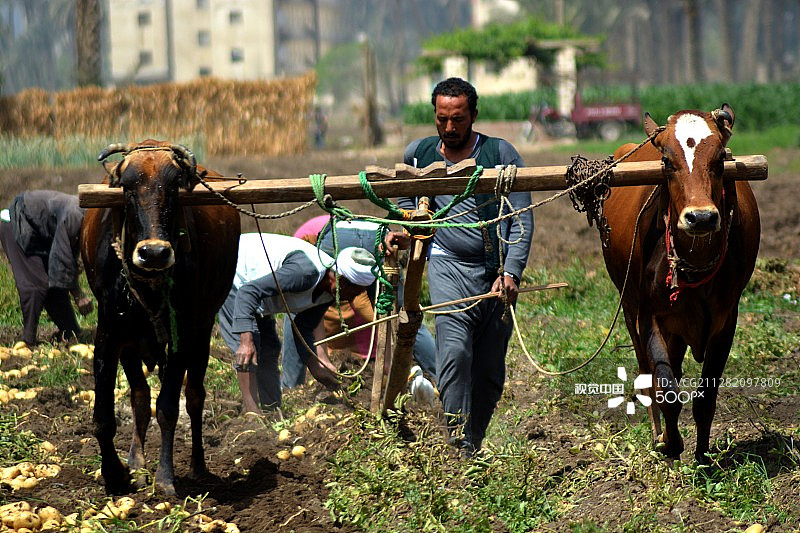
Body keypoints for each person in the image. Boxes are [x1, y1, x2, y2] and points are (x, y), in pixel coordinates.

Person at [389, 77, 533, 456]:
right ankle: (458, 446)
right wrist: (403, 229)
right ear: (434, 116)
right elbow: (404, 202)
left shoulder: (501, 154)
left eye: (458, 120)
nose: (450, 128)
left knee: (488, 373)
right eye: (442, 120)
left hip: (495, 272)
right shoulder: (418, 155)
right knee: (454, 353)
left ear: (474, 115)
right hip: (446, 267)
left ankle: (474, 439)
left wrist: (512, 271)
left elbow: (521, 219)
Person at [217, 232, 377, 414]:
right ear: (341, 281)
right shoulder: (305, 273)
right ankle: (251, 414)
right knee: (250, 347)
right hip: (235, 270)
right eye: (355, 292)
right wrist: (245, 341)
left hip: (256, 291)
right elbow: (248, 292)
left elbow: (303, 327)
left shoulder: (328, 292)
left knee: (269, 349)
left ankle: (272, 412)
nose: (353, 298)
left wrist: (316, 367)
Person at [284, 216, 437, 389]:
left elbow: (312, 311)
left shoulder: (301, 245)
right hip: (378, 234)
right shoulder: (315, 231)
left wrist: (322, 358)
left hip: (337, 238)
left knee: (299, 307)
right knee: (404, 313)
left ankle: (292, 386)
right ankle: (439, 377)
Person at [0, 190, 93, 345]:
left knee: (54, 287)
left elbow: (63, 266)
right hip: (16, 221)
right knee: (36, 285)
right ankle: (27, 341)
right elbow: (62, 257)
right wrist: (78, 294)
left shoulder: (85, 219)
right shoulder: (75, 215)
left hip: (38, 231)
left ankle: (70, 332)